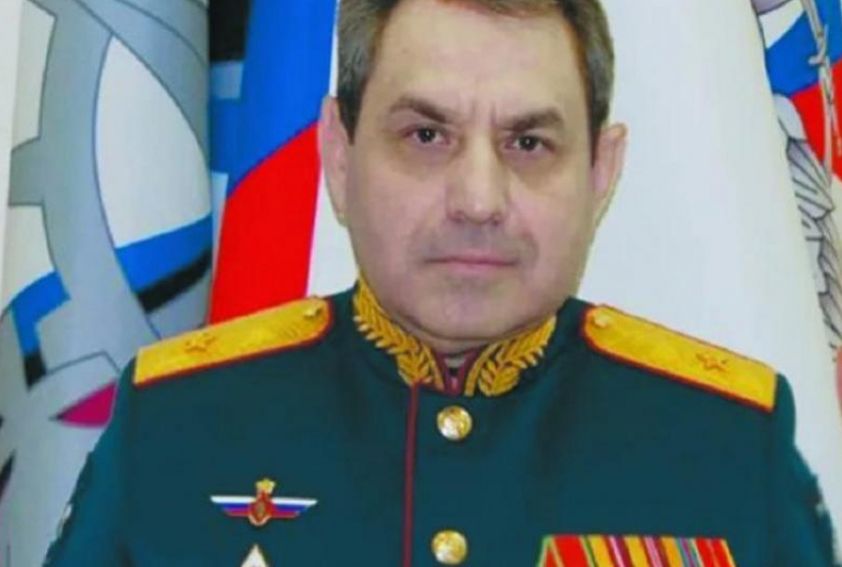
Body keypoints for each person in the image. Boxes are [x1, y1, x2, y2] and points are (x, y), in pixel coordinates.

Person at [46, 0, 838, 565]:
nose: (478, 199)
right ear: (338, 157)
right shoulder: (175, 427)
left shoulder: (729, 445)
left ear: (602, 173)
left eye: (529, 143)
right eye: (426, 135)